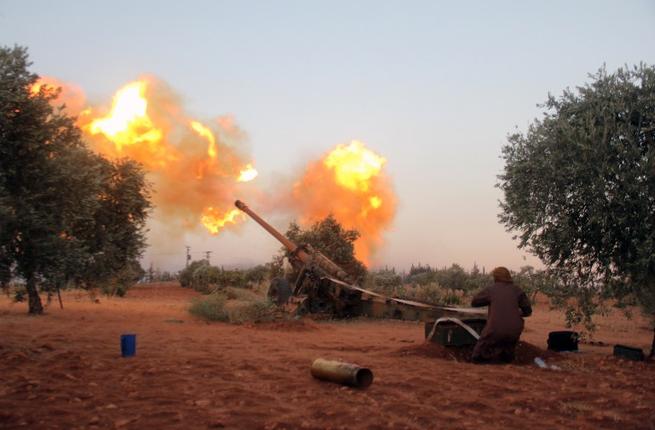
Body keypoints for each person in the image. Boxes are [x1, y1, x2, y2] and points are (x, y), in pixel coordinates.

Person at [470, 266, 532, 363]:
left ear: (495, 277)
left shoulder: (491, 290)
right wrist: (516, 312)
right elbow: (528, 311)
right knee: (507, 357)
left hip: (494, 329)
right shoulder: (517, 290)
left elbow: (474, 302)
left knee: (477, 357)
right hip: (514, 331)